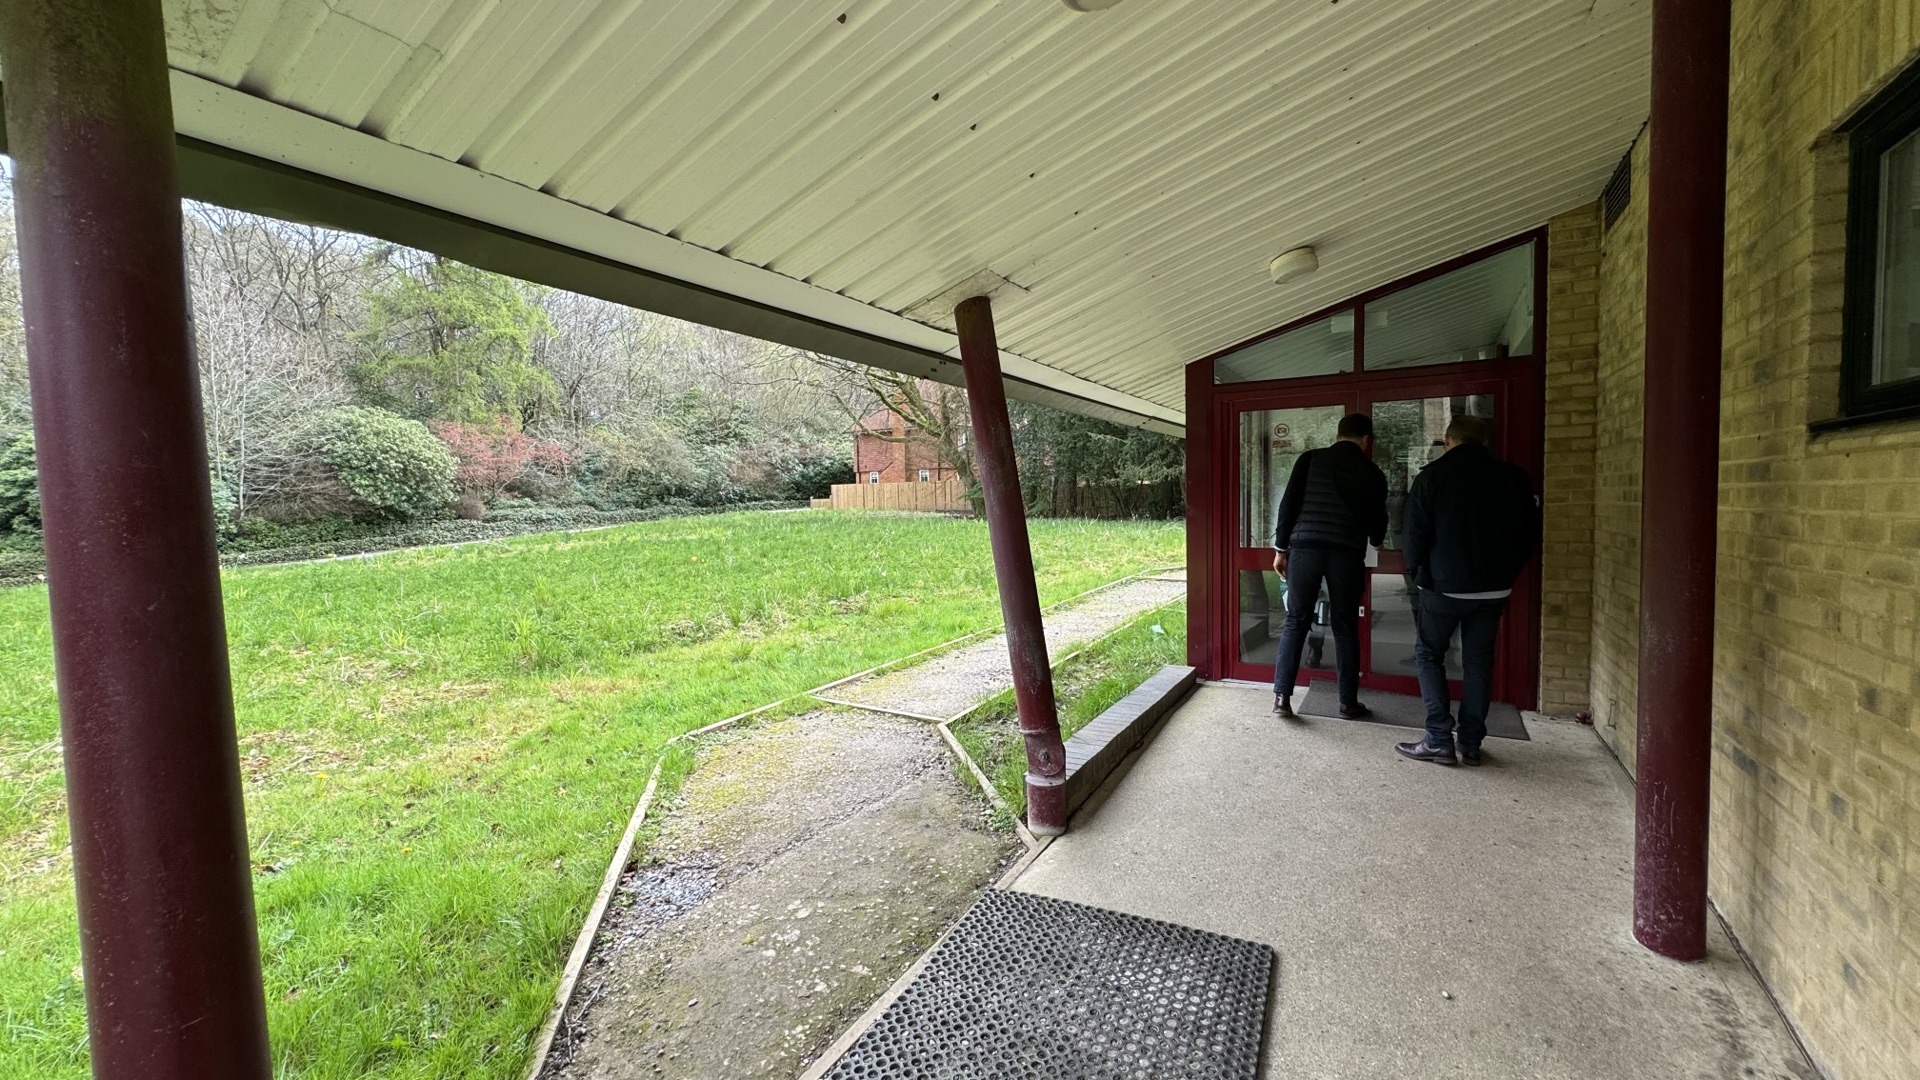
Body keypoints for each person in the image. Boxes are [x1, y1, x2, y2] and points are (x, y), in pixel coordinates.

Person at [1394, 415, 1540, 766]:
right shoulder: (1514, 478)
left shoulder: (1432, 476)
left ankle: (1438, 739)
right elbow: (1529, 534)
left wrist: (1415, 573)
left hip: (1443, 587)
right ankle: (1471, 743)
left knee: (1429, 656)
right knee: (1478, 663)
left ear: (1448, 441)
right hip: (1493, 591)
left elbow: (1413, 533)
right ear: (1485, 441)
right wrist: (1508, 573)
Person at [1271, 413, 1388, 720]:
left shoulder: (1310, 459)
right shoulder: (1372, 472)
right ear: (1366, 440)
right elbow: (1378, 518)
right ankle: (1348, 703)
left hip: (1305, 549)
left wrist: (1281, 549)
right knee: (1345, 625)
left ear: (1338, 435)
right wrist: (1377, 541)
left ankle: (1282, 698)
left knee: (1296, 621)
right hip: (1346, 554)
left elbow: (1288, 505)